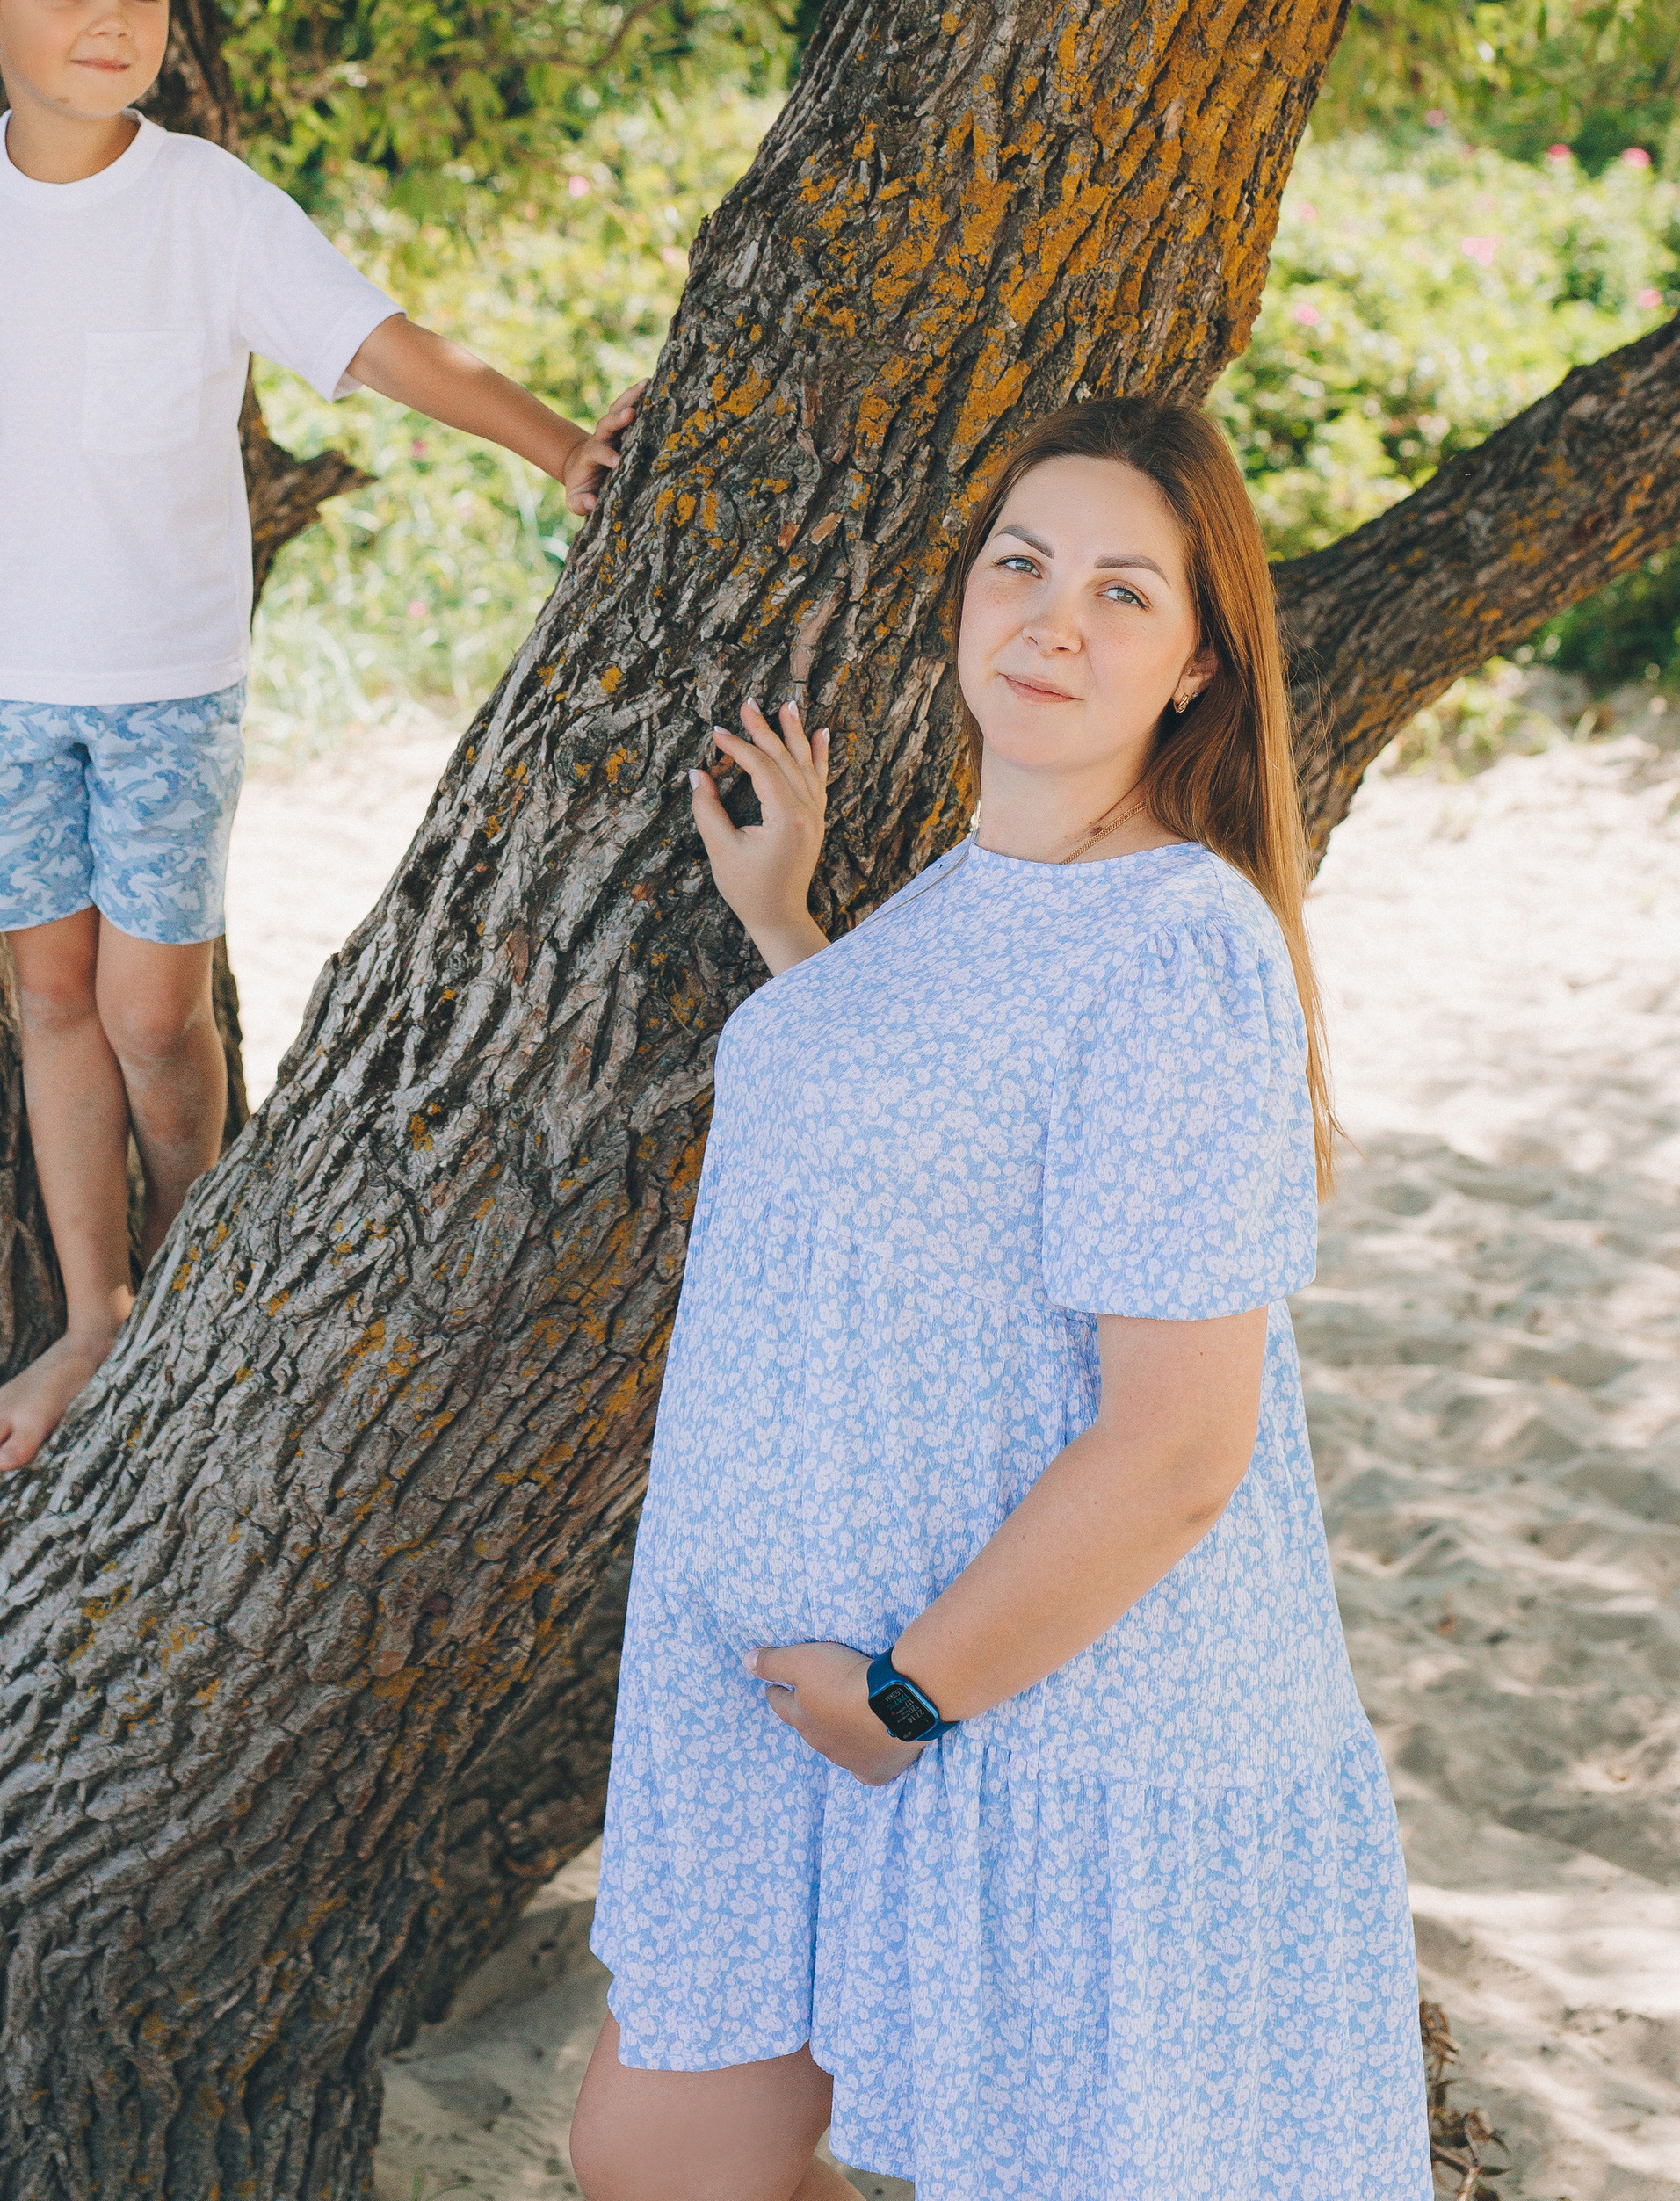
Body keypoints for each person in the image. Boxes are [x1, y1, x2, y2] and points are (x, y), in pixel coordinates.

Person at [572, 398, 1431, 2201]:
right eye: (1019, 565)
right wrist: (794, 938)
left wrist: (903, 1702)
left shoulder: (1178, 947)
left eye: (1124, 594)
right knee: (659, 2169)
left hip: (1009, 1718)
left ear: (1197, 666)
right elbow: (925, 1175)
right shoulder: (954, 900)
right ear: (959, 602)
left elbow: (1179, 1449)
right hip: (783, 1713)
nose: (1052, 618)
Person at [0, 0, 639, 1473]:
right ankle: (98, 1313)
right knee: (50, 1000)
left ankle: (198, 1252)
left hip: (165, 685)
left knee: (157, 1014)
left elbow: (381, 347)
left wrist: (553, 447)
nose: (112, 23)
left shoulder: (209, 207)